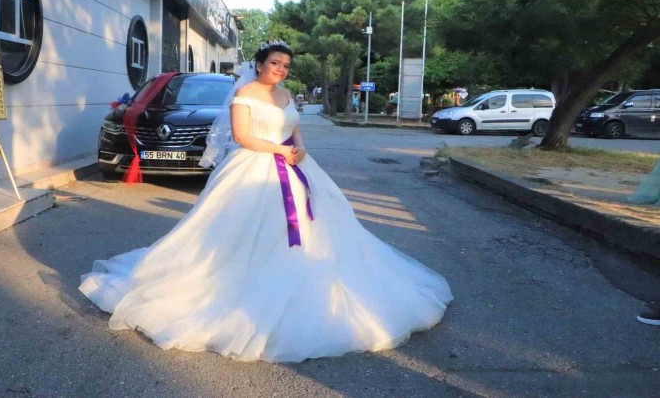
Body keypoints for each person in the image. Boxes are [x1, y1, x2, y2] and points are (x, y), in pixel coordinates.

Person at [79, 40, 452, 363]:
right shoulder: (245, 93)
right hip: (254, 168)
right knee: (241, 231)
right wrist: (279, 150)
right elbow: (242, 136)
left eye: (286, 65)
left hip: (294, 164)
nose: (281, 69)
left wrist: (299, 147)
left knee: (319, 228)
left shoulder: (286, 95)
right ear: (259, 64)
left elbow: (294, 127)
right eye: (275, 63)